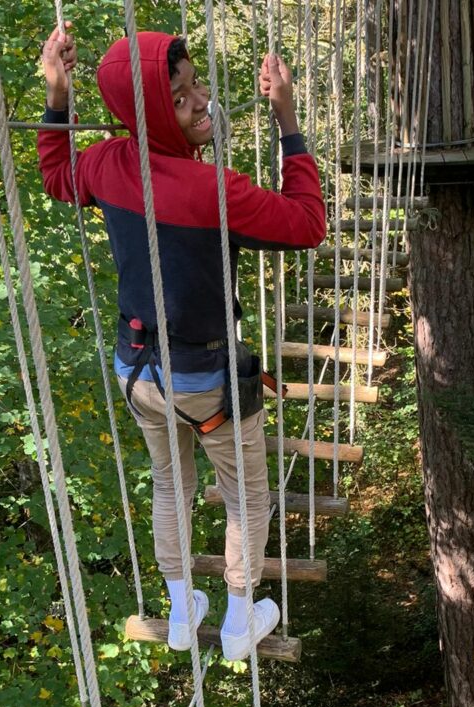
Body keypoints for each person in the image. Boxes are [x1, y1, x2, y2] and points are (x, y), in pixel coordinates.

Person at [39, 27, 326, 660]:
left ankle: (178, 611)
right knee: (247, 496)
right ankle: (237, 622)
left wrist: (57, 96)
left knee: (170, 483)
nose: (200, 100)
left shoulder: (106, 163)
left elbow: (57, 175)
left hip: (139, 372)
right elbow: (308, 224)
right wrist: (288, 120)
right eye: (180, 94)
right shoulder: (214, 190)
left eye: (197, 82)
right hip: (207, 381)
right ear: (143, 111)